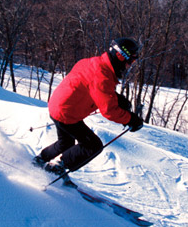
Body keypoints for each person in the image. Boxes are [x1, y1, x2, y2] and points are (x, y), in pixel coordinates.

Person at [33, 37, 144, 177]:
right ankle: (56, 169)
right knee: (93, 145)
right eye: (131, 61)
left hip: (57, 105)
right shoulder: (103, 76)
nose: (130, 65)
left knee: (65, 142)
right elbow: (109, 110)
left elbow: (93, 87)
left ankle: (40, 160)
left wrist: (116, 98)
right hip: (67, 113)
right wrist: (131, 120)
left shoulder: (94, 62)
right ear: (120, 56)